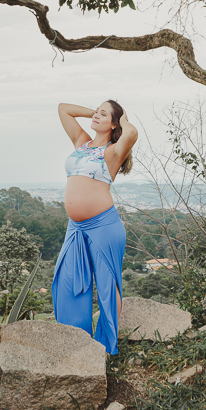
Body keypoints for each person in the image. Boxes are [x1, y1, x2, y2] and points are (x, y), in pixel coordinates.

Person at [52, 100, 137, 355]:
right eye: (97, 111)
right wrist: (95, 114)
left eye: (104, 114)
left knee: (107, 286)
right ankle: (75, 344)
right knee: (67, 283)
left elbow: (131, 133)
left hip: (104, 226)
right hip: (75, 228)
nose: (97, 115)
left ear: (113, 124)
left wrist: (120, 119)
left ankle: (104, 349)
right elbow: (63, 108)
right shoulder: (82, 142)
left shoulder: (112, 152)